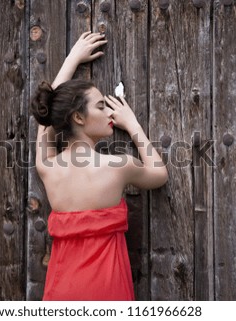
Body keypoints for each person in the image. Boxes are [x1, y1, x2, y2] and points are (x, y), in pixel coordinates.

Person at [30, 31, 168, 301]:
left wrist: (72, 59)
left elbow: (45, 121)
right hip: (108, 290)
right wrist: (132, 124)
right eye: (102, 107)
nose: (109, 113)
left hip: (61, 292)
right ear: (79, 117)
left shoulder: (47, 166)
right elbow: (159, 174)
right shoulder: (118, 165)